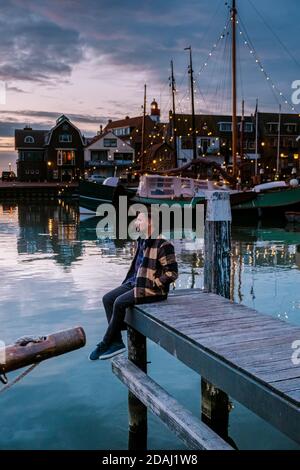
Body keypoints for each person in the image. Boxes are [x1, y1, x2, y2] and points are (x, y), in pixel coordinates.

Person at [89, 210, 178, 361]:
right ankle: (116, 342)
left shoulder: (163, 244)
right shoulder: (142, 240)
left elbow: (172, 273)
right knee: (107, 299)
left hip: (151, 290)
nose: (136, 223)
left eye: (139, 220)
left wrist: (155, 283)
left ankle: (105, 343)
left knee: (119, 303)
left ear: (150, 222)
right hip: (134, 283)